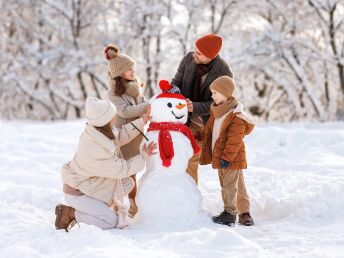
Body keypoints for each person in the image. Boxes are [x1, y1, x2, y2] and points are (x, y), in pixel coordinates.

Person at [171, 33, 254, 225]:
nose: (194, 54)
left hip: (215, 121)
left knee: (233, 165)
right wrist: (172, 92)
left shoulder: (224, 72)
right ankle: (189, 203)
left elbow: (220, 102)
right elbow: (177, 81)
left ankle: (243, 210)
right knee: (188, 156)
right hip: (190, 120)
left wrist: (196, 106)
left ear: (211, 55)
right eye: (195, 50)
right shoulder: (188, 59)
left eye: (199, 53)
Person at [54, 97, 156, 232]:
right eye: (113, 115)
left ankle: (100, 208)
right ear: (105, 121)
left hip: (91, 185)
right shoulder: (93, 152)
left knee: (127, 184)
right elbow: (122, 169)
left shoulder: (99, 133)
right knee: (110, 221)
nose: (115, 117)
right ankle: (70, 213)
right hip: (78, 193)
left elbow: (120, 135)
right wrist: (144, 156)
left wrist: (142, 121)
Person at [200, 76, 255, 226]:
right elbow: (210, 131)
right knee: (230, 184)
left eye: (215, 92)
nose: (212, 96)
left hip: (230, 158)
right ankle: (238, 211)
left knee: (229, 186)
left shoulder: (236, 116)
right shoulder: (217, 111)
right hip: (221, 157)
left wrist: (226, 157)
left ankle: (230, 213)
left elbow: (234, 141)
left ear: (225, 93)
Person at [104, 44, 149, 218]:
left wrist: (148, 106)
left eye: (133, 68)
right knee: (129, 171)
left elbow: (142, 102)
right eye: (129, 69)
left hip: (139, 132)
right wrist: (148, 106)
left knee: (137, 168)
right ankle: (131, 205)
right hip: (125, 134)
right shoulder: (113, 93)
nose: (133, 71)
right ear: (119, 73)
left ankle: (136, 203)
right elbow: (125, 111)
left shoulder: (135, 86)